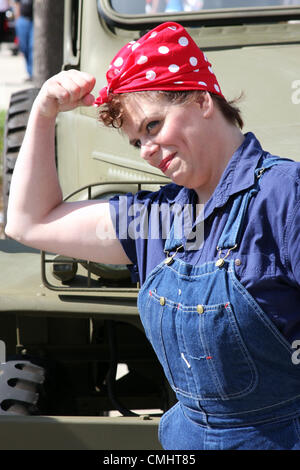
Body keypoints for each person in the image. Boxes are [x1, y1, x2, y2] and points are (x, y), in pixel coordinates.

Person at [5, 22, 300, 450]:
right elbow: (29, 223)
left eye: (154, 125)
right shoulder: (159, 218)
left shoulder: (283, 195)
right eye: (136, 141)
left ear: (201, 100)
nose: (146, 150)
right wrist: (44, 111)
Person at [13, 0, 33, 80]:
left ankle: (33, 73)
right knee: (24, 48)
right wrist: (17, 21)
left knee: (32, 46)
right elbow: (16, 4)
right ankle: (29, 72)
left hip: (33, 21)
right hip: (22, 19)